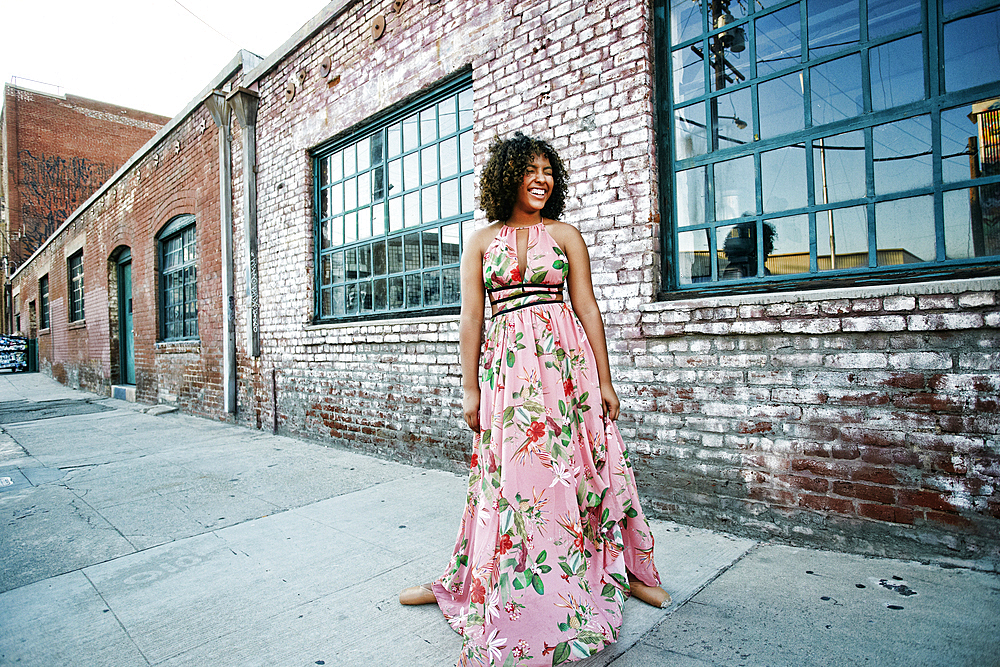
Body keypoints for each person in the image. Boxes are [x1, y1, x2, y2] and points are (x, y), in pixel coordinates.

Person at [399, 132, 669, 666]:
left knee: (581, 466)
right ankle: (470, 576)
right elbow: (472, 317)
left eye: (548, 170)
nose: (541, 179)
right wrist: (469, 385)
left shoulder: (566, 235)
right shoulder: (480, 242)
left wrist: (606, 379)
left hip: (565, 369)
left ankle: (618, 568)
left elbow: (587, 307)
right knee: (508, 475)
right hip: (507, 374)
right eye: (530, 170)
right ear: (509, 178)